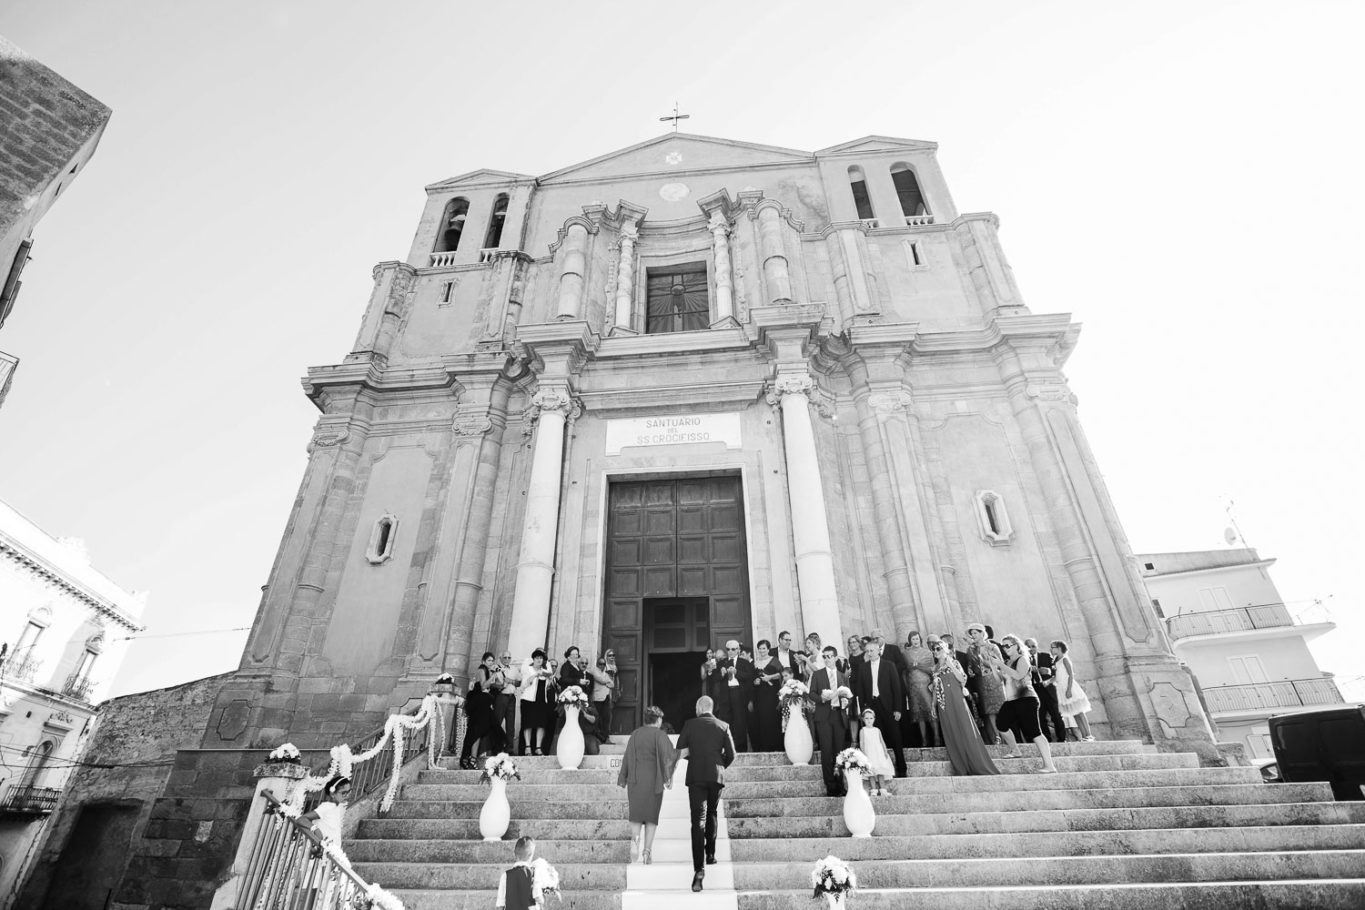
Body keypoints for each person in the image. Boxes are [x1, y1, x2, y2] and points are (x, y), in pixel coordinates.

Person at [676, 695, 736, 893]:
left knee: (698, 821)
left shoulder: (690, 724)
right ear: (711, 708)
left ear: (698, 708)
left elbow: (680, 750)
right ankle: (710, 854)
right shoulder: (723, 725)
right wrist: (719, 765)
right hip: (715, 776)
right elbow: (732, 754)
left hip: (696, 776)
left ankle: (699, 871)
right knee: (711, 813)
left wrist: (695, 760)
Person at [617, 705, 678, 864]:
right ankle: (647, 852)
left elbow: (627, 758)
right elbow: (670, 757)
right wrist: (668, 778)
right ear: (658, 720)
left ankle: (635, 843)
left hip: (635, 782)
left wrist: (623, 777)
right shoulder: (660, 735)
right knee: (651, 818)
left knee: (636, 817)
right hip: (653, 782)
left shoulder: (635, 735)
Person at [930, 639, 999, 776]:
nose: (936, 651)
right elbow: (935, 688)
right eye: (934, 649)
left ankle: (977, 763)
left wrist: (950, 663)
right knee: (951, 731)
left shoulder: (954, 662)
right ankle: (961, 766)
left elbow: (962, 679)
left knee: (965, 728)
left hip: (957, 700)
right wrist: (933, 705)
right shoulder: (935, 668)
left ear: (946, 649)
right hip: (943, 703)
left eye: (939, 648)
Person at [996, 634, 1059, 773]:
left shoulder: (1022, 659)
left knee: (1035, 732)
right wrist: (994, 667)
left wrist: (1000, 665)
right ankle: (1015, 750)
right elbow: (1006, 679)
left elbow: (1018, 675)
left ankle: (1049, 765)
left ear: (1016, 646)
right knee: (1001, 723)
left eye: (1008, 645)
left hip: (1027, 699)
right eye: (1003, 646)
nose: (1005, 648)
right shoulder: (1007, 662)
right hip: (1012, 700)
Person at [853, 638, 907, 777]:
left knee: (895, 737)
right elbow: (860, 690)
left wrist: (898, 709)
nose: (870, 653)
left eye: (872, 650)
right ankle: (876, 770)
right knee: (874, 739)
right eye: (867, 651)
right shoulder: (863, 667)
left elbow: (896, 688)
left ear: (878, 651)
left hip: (888, 706)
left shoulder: (889, 665)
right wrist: (864, 709)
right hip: (871, 707)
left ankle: (902, 768)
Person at [809, 645, 849, 797]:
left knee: (839, 752)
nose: (826, 659)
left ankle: (840, 784)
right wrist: (821, 698)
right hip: (824, 716)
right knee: (826, 753)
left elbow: (848, 696)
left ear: (835, 658)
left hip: (839, 716)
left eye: (829, 656)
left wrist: (847, 702)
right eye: (824, 656)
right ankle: (830, 786)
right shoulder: (818, 675)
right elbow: (811, 693)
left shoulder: (842, 676)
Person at [706, 640, 754, 751]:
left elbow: (749, 677)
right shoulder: (721, 663)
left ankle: (741, 750)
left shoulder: (744, 662)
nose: (730, 651)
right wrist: (721, 674)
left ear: (738, 650)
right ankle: (729, 748)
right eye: (728, 649)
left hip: (739, 694)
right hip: (725, 696)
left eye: (733, 649)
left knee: (740, 722)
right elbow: (713, 679)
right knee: (727, 722)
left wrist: (737, 672)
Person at [966, 623, 1005, 745]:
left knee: (1001, 708)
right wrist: (970, 670)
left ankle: (1006, 734)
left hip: (994, 679)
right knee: (989, 710)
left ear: (982, 633)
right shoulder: (970, 649)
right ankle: (996, 735)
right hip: (981, 681)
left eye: (975, 633)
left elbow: (1000, 663)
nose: (973, 636)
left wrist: (985, 659)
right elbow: (970, 664)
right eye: (972, 634)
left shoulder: (992, 647)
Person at [1050, 639, 1096, 741]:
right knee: (1074, 713)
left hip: (1069, 686)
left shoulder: (1065, 659)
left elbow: (1070, 674)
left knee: (1080, 711)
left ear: (1059, 648)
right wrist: (1048, 682)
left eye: (1053, 647)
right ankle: (1084, 736)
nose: (1051, 649)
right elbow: (1057, 676)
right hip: (1061, 687)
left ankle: (1088, 735)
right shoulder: (1056, 661)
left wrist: (1069, 689)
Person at [460, 652, 499, 768]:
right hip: (478, 705)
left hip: (482, 704)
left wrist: (496, 674)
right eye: (489, 660)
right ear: (483, 661)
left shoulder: (487, 671)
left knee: (477, 732)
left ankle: (471, 758)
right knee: (475, 732)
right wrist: (493, 676)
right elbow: (483, 686)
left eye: (492, 660)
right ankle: (468, 758)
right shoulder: (482, 669)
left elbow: (499, 684)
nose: (491, 663)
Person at [1027, 638, 1065, 743]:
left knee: (1056, 715)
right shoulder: (1024, 659)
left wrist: (1047, 671)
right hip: (1035, 691)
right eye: (1028, 647)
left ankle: (1062, 738)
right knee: (1040, 716)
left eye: (1033, 646)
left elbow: (1055, 671)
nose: (1031, 649)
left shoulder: (1045, 656)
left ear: (1037, 646)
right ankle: (1047, 740)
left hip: (1048, 689)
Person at [518, 649, 555, 755]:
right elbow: (524, 685)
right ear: (533, 659)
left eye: (541, 658)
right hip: (528, 700)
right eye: (537, 658)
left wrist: (549, 679)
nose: (539, 660)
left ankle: (538, 747)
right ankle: (528, 747)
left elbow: (548, 686)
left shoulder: (546, 671)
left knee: (541, 724)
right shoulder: (528, 669)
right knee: (528, 723)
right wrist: (535, 675)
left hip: (542, 700)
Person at [903, 631, 935, 748]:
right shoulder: (906, 653)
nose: (915, 641)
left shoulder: (928, 653)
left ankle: (936, 737)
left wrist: (919, 666)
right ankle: (924, 739)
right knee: (919, 715)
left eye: (917, 639)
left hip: (926, 685)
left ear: (920, 640)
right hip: (913, 687)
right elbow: (905, 670)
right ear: (910, 641)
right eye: (913, 639)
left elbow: (932, 670)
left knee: (931, 712)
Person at [750, 639, 783, 752]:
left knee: (772, 718)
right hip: (760, 695)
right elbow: (753, 679)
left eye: (764, 648)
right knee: (762, 719)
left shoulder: (774, 660)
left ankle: (776, 746)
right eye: (759, 648)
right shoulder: (755, 662)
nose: (761, 650)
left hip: (772, 694)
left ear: (768, 649)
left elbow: (781, 674)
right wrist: (755, 682)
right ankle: (764, 747)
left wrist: (769, 677)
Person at [494, 835, 540, 910]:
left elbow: (500, 904)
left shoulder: (505, 875)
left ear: (515, 854)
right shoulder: (534, 874)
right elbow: (538, 898)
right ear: (530, 856)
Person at [858, 708, 895, 796]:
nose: (869, 720)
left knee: (880, 771)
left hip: (878, 754)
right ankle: (874, 790)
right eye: (866, 718)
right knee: (871, 773)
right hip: (869, 754)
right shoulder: (862, 730)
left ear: (874, 719)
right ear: (863, 719)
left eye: (871, 718)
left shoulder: (877, 730)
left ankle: (883, 790)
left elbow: (882, 741)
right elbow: (861, 743)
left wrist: (885, 751)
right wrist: (863, 754)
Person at [588, 654, 616, 744]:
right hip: (597, 698)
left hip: (606, 698)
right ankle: (598, 738)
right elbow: (601, 679)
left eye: (604, 664)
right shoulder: (594, 670)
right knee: (597, 719)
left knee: (606, 718)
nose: (602, 666)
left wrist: (607, 682)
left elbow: (612, 684)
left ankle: (606, 737)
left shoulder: (605, 673)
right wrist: (606, 681)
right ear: (597, 664)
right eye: (600, 664)